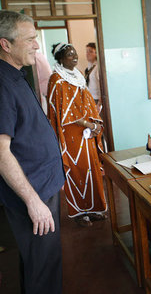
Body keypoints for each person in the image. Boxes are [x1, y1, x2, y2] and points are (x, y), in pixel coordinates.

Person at [0, 10, 65, 294]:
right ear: (6, 44)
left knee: (40, 262)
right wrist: (34, 202)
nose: (37, 45)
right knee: (44, 266)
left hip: (40, 185)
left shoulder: (13, 75)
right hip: (32, 192)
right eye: (31, 39)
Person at [47, 42, 107, 227]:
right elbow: (65, 112)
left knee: (91, 169)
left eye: (75, 53)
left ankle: (94, 208)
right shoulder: (56, 79)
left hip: (87, 133)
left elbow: (87, 104)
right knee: (76, 171)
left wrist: (95, 123)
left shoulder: (78, 76)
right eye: (69, 55)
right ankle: (79, 212)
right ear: (60, 59)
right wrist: (89, 123)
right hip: (71, 135)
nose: (74, 57)